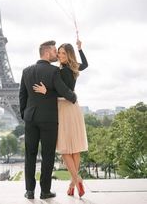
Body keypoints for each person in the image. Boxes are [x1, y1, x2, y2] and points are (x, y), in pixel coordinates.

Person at [19, 40, 77, 200]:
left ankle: (29, 191)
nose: (56, 54)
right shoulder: (53, 71)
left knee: (29, 155)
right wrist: (73, 96)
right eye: (53, 51)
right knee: (48, 155)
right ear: (46, 52)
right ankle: (45, 191)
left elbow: (22, 96)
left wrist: (25, 115)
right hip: (49, 119)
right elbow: (63, 90)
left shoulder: (26, 71)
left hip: (30, 118)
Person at [33, 39, 88, 198]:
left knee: (64, 148)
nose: (60, 55)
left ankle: (77, 180)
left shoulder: (61, 71)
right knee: (75, 148)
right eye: (59, 52)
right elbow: (85, 64)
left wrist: (46, 91)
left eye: (63, 53)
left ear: (68, 55)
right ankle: (73, 183)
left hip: (63, 108)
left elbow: (61, 91)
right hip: (74, 107)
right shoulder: (73, 67)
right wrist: (80, 49)